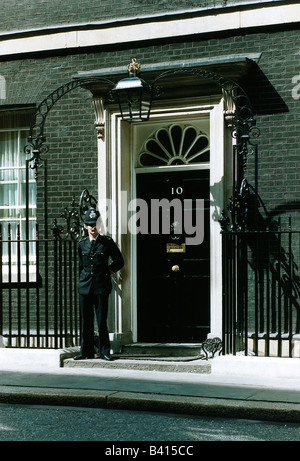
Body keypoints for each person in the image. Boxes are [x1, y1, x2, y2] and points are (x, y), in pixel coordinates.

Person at [74, 208, 124, 361]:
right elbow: (81, 265)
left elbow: (119, 261)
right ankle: (86, 351)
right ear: (85, 226)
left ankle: (104, 351)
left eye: (95, 224)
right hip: (85, 287)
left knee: (101, 321)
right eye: (89, 224)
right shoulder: (81, 244)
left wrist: (108, 271)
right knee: (86, 321)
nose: (92, 227)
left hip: (101, 286)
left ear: (99, 224)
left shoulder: (107, 242)